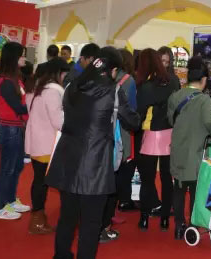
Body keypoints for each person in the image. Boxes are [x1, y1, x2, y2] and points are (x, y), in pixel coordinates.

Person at [46, 47, 140, 259]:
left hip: (67, 158)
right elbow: (133, 121)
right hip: (95, 164)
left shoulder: (72, 85)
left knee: (67, 217)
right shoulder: (113, 90)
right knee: (90, 223)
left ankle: (61, 255)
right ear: (112, 69)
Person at [168, 56, 211, 240]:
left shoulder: (175, 96)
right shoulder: (204, 100)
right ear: (204, 80)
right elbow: (210, 122)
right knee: (196, 190)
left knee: (179, 189)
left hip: (178, 149)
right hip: (196, 151)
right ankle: (192, 225)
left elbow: (170, 120)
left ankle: (178, 226)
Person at [136, 48, 180, 231]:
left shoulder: (145, 86)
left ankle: (144, 218)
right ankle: (165, 219)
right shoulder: (173, 82)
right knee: (167, 178)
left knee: (147, 179)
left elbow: (139, 113)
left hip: (151, 134)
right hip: (169, 132)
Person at [24, 58, 70, 234]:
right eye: (64, 74)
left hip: (38, 142)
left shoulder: (36, 88)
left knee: (39, 181)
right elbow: (58, 121)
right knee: (49, 182)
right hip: (49, 144)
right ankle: (39, 220)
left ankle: (37, 218)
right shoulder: (52, 92)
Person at [100, 48, 139, 242]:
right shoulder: (127, 82)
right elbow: (131, 113)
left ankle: (103, 220)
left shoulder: (86, 83)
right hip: (117, 134)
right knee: (114, 175)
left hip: (93, 141)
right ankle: (105, 223)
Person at [0, 42, 30, 220]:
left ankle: (10, 200)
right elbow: (19, 107)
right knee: (7, 168)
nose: (24, 58)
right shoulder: (6, 82)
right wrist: (34, 103)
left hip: (17, 127)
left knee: (17, 166)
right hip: (9, 128)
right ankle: (0, 207)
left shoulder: (15, 79)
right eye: (22, 55)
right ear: (13, 58)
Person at [115, 48, 140, 213]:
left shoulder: (109, 77)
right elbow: (131, 108)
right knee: (125, 162)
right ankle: (123, 199)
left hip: (107, 126)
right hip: (123, 128)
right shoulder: (128, 80)